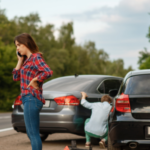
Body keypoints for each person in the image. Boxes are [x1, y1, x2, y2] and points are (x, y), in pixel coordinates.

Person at [12, 33, 53, 150]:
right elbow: (15, 77)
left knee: (33, 134)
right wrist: (20, 60)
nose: (17, 48)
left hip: (31, 97)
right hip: (28, 99)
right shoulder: (26, 61)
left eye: (19, 45)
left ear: (26, 43)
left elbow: (48, 72)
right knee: (31, 133)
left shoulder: (36, 57)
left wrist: (36, 80)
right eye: (16, 46)